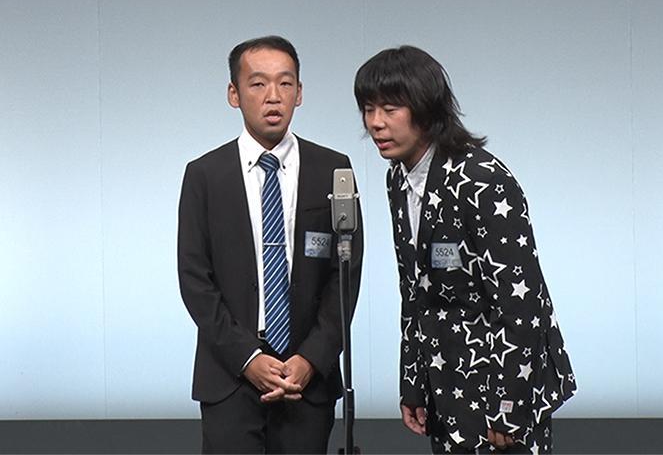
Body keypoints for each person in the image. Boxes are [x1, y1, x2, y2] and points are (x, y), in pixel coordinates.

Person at [354, 46, 575, 454]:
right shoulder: (397, 178)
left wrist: (508, 406)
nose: (376, 123)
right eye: (369, 110)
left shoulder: (481, 179)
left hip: (503, 386)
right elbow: (414, 291)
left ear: (426, 109)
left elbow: (521, 302)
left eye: (390, 109)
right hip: (448, 383)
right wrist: (413, 381)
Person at [178, 35, 363, 454]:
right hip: (229, 376)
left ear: (300, 92)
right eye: (258, 84)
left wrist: (311, 358)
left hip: (306, 380)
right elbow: (195, 279)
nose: (273, 96)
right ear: (234, 94)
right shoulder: (204, 175)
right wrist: (248, 358)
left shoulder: (333, 169)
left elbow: (345, 275)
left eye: (285, 83)